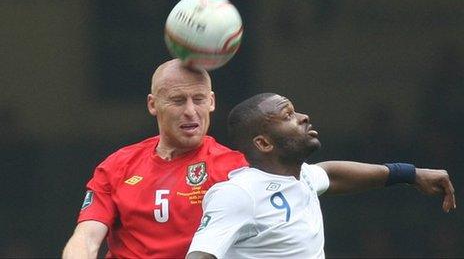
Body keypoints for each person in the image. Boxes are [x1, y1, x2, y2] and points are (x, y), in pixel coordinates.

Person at [187, 93, 456, 259]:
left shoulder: (302, 178)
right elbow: (201, 254)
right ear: (264, 143)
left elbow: (332, 173)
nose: (304, 117)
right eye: (288, 115)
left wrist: (410, 174)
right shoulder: (238, 193)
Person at [62, 59, 249, 258]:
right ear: (153, 104)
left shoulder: (236, 170)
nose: (190, 111)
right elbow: (86, 238)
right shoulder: (117, 166)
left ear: (211, 101)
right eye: (178, 100)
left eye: (199, 99)